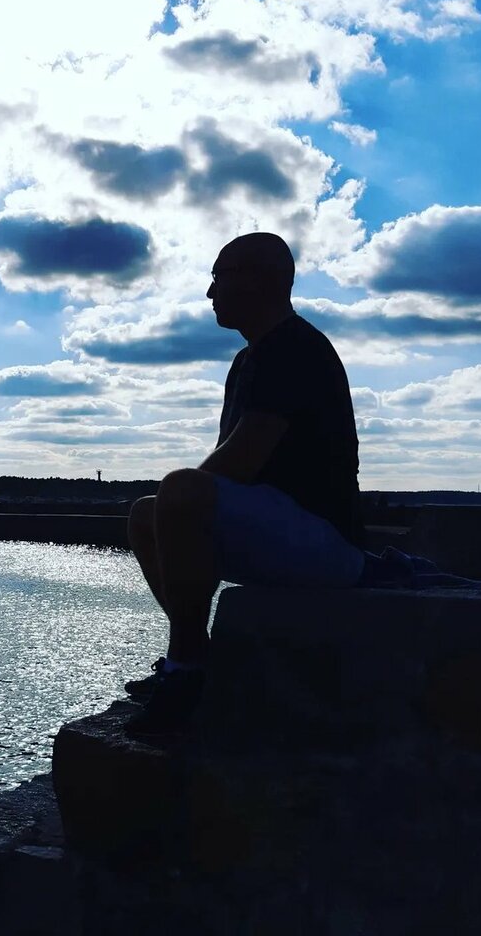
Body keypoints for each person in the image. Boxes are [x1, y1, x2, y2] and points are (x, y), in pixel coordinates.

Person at [123, 232, 367, 735]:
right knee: (146, 512)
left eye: (220, 276)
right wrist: (175, 507)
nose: (210, 292)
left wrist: (181, 503)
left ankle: (185, 671)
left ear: (261, 280)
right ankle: (197, 653)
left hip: (324, 541)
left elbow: (239, 462)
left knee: (178, 493)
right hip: (282, 530)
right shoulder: (250, 359)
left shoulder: (293, 349)